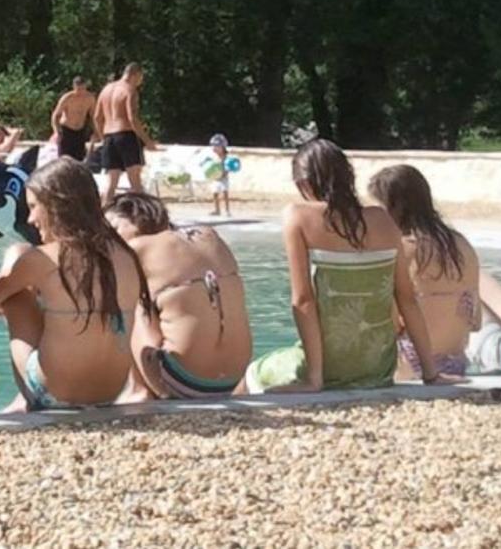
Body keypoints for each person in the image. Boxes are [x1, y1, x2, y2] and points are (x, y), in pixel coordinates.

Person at [239, 138, 452, 394]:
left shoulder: (298, 216)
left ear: (304, 183)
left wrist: (314, 379)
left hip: (328, 367)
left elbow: (303, 301)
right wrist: (430, 373)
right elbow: (407, 300)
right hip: (378, 368)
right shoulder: (382, 219)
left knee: (254, 372)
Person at [0, 157, 150, 411]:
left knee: (16, 294)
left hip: (52, 395)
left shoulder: (43, 259)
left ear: (56, 205)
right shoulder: (126, 255)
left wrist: (12, 271)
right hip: (110, 392)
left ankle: (22, 402)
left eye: (34, 206)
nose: (30, 219)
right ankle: (20, 402)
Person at [104, 193, 252, 399]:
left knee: (129, 303)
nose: (107, 240)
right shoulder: (209, 236)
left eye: (113, 229)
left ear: (137, 220)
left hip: (180, 381)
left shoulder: (135, 250)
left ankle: (138, 390)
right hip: (234, 380)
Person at [368, 165, 480, 377]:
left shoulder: (403, 249)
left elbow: (388, 324)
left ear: (395, 208)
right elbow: (476, 322)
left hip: (411, 365)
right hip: (456, 364)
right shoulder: (462, 245)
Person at [94, 62, 158, 203]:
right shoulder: (129, 90)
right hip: (126, 135)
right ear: (135, 74)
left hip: (109, 136)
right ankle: (143, 213)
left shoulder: (106, 89)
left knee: (111, 183)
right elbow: (132, 118)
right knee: (135, 181)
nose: (140, 82)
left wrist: (103, 138)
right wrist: (147, 141)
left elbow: (97, 117)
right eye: (141, 78)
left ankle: (104, 212)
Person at [51, 76, 96, 162]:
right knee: (64, 159)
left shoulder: (90, 99)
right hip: (66, 131)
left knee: (79, 159)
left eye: (82, 89)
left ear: (85, 87)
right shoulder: (67, 98)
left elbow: (93, 116)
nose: (80, 92)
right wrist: (56, 131)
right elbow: (55, 115)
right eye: (78, 89)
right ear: (74, 87)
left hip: (80, 131)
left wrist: (95, 132)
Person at [206, 133, 231, 216]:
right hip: (216, 177)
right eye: (214, 146)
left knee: (224, 192)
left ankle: (227, 210)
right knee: (215, 193)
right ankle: (217, 210)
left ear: (223, 147)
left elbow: (228, 167)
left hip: (223, 177)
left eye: (217, 146)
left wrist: (225, 173)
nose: (215, 148)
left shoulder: (225, 157)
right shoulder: (214, 156)